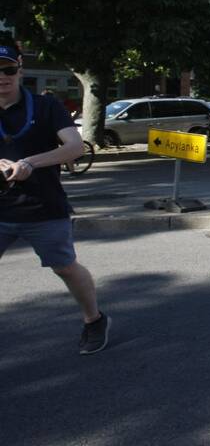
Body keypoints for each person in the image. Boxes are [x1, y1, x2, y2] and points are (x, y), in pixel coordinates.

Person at [0, 44, 110, 354]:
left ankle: (94, 319)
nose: (2, 77)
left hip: (42, 207)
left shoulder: (47, 106)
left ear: (20, 68)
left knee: (64, 267)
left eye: (8, 70)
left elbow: (75, 147)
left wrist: (31, 163)